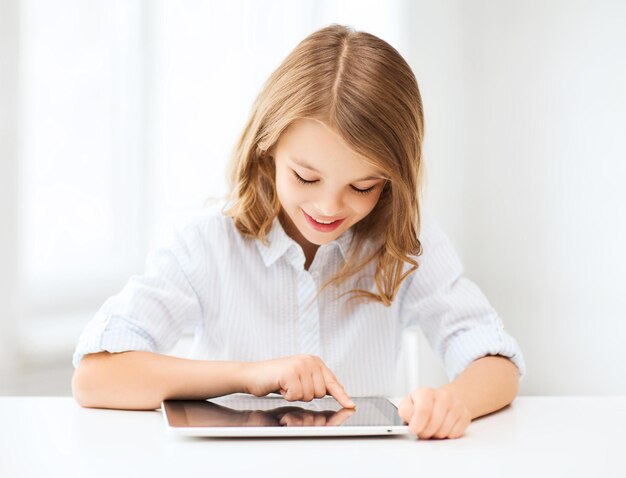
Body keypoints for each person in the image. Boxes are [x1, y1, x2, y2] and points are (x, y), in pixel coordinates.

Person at [72, 24, 525, 440]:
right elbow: (96, 376)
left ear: (390, 183)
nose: (328, 207)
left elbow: (496, 360)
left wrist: (454, 402)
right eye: (306, 178)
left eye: (362, 186)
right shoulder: (207, 244)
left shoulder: (403, 241)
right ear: (266, 149)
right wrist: (248, 375)